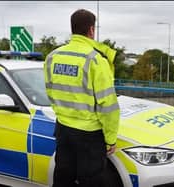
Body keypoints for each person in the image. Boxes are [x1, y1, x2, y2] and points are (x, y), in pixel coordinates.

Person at [43, 9, 120, 187]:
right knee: (91, 180)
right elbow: (107, 105)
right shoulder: (95, 60)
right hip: (89, 136)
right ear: (91, 30)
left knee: (63, 177)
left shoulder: (52, 57)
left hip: (63, 129)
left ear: (73, 28)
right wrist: (111, 139)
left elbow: (50, 92)